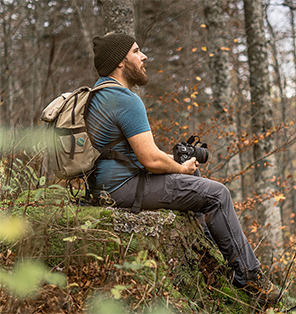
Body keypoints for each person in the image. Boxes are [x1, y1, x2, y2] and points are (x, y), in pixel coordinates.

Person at [86, 33, 281, 304]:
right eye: (136, 51)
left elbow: (130, 152)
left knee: (196, 179)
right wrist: (178, 167)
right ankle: (251, 278)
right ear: (120, 61)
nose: (144, 57)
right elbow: (151, 161)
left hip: (104, 186)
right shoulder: (126, 99)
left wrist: (179, 165)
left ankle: (210, 254)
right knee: (217, 194)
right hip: (123, 189)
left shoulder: (98, 93)